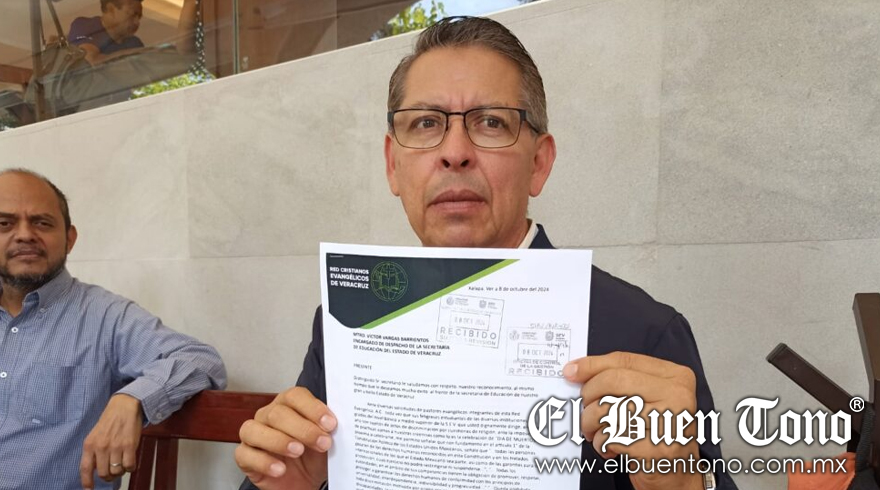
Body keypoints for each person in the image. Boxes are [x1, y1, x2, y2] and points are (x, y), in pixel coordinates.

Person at [234, 16, 737, 490]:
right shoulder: (347, 324)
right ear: (392, 165)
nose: (455, 152)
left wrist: (682, 483)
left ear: (539, 163)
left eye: (491, 122)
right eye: (426, 123)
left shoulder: (645, 334)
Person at [0, 168, 227, 490]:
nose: (25, 234)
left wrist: (132, 399)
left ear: (70, 239)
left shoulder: (106, 317)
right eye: (4, 224)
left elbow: (201, 359)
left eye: (42, 223)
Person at [68, 0, 199, 67]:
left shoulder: (134, 43)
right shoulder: (85, 26)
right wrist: (142, 52)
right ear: (111, 9)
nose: (137, 22)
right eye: (132, 15)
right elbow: (91, 61)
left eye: (139, 17)